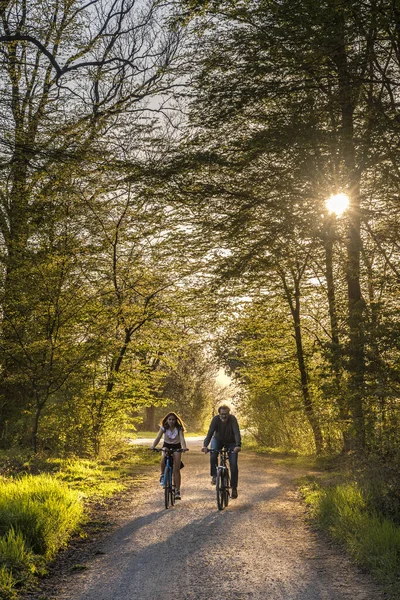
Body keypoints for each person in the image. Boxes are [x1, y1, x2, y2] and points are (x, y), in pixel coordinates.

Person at [201, 404, 241, 499]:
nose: (224, 416)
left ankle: (234, 487)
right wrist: (205, 445)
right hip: (218, 440)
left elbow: (236, 433)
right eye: (222, 414)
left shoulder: (232, 419)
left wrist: (238, 445)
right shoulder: (215, 420)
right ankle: (215, 475)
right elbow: (210, 433)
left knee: (233, 464)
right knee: (213, 454)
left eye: (226, 414)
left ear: (229, 413)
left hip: (231, 442)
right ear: (219, 414)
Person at [151, 412, 188, 500]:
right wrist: (153, 446)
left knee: (176, 468)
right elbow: (158, 437)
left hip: (176, 446)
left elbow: (182, 439)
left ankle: (177, 491)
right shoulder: (164, 427)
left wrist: (184, 447)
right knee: (163, 457)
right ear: (167, 420)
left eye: (173, 420)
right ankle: (162, 475)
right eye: (170, 419)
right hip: (166, 445)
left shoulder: (179, 428)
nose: (171, 421)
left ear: (176, 420)